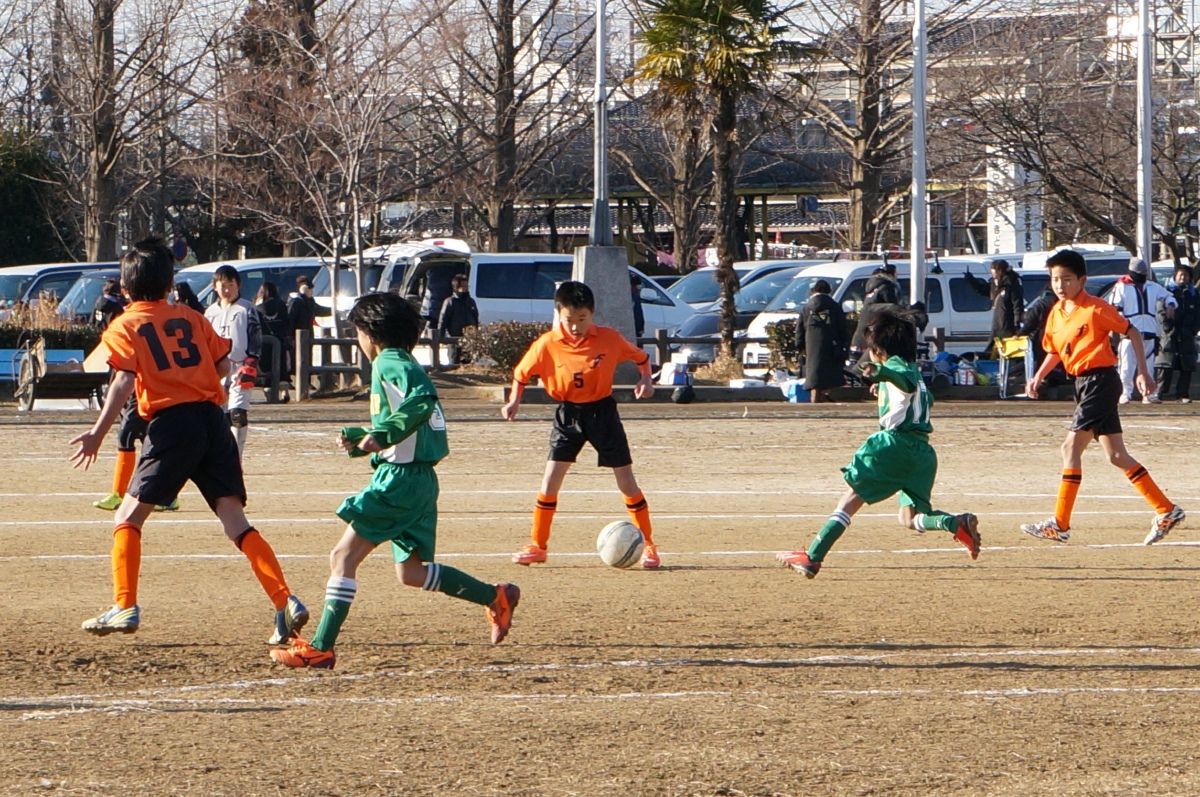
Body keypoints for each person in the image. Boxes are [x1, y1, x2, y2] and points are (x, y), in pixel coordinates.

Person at [69, 237, 308, 643]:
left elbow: (123, 379)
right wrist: (194, 381)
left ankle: (124, 604)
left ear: (125, 288)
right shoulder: (192, 317)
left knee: (127, 518)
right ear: (169, 284)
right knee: (236, 522)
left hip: (172, 425)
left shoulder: (125, 324)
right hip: (212, 421)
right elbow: (223, 364)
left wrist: (97, 432)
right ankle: (285, 600)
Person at [269, 293, 519, 669]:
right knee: (412, 573)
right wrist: (364, 438)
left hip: (400, 481)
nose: (358, 339)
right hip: (420, 479)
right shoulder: (403, 361)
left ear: (371, 333)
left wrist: (382, 435)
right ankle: (494, 596)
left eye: (357, 331)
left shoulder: (388, 361)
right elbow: (415, 421)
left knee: (342, 557)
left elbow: (422, 400)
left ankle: (321, 647)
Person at [776, 307, 981, 577]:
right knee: (910, 519)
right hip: (922, 453)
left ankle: (813, 556)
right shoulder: (915, 372)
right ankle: (955, 523)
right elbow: (919, 396)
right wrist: (884, 385)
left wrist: (883, 375)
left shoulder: (895, 368)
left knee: (850, 499)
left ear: (879, 349)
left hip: (894, 447)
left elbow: (903, 382)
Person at [1021, 249, 1185, 545]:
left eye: (1067, 279)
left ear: (1082, 280)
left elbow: (1133, 332)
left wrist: (1143, 372)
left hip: (1101, 381)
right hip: (1082, 384)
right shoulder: (1056, 312)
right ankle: (1166, 509)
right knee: (1116, 455)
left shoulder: (1096, 308)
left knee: (1070, 448)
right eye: (1055, 279)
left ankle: (1060, 524)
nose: (1060, 285)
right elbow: (1055, 351)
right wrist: (1038, 377)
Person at [501, 281, 662, 569]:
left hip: (602, 413)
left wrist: (646, 380)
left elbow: (642, 358)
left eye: (582, 319)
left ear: (592, 314)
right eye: (569, 320)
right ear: (558, 314)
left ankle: (649, 545)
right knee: (550, 481)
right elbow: (521, 374)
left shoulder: (609, 339)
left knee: (626, 481)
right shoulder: (546, 344)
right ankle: (538, 545)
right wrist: (514, 400)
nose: (575, 326)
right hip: (568, 416)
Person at [92, 278, 178, 513]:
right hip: (146, 389)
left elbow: (127, 372)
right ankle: (167, 495)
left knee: (127, 436)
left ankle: (119, 493)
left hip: (143, 390)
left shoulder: (130, 319)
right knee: (149, 440)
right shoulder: (139, 316)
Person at [204, 266, 261, 458]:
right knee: (220, 415)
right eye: (223, 286)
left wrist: (252, 361)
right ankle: (222, 456)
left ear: (238, 285)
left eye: (231, 285)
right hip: (217, 368)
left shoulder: (247, 308)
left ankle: (236, 457)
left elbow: (255, 335)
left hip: (240, 366)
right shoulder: (210, 312)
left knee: (237, 413)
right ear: (214, 287)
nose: (227, 290)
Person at [1107, 257, 1175, 403]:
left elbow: (1169, 296)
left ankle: (1147, 393)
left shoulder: (1152, 286)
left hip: (1149, 331)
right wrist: (1119, 325)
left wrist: (1170, 304)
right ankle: (1125, 393)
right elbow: (1114, 308)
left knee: (1149, 365)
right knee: (1126, 365)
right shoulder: (1121, 287)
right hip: (1128, 332)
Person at [795, 279, 847, 402]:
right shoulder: (834, 306)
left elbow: (799, 330)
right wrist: (844, 344)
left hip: (811, 347)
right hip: (831, 346)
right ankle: (825, 395)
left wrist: (800, 346)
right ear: (829, 291)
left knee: (814, 375)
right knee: (829, 375)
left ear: (813, 291)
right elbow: (842, 328)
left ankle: (815, 399)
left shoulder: (806, 308)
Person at [1155, 264, 1199, 404]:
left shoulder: (1194, 294)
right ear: (1175, 276)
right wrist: (1167, 327)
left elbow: (1198, 314)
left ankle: (1182, 393)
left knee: (1186, 365)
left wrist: (1193, 329)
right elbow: (1160, 310)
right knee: (1165, 364)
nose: (1183, 277)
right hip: (1169, 333)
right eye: (1180, 274)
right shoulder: (1167, 292)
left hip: (1187, 334)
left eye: (1186, 275)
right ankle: (1160, 392)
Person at [965, 259, 1024, 356]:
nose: (991, 271)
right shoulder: (994, 284)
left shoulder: (1011, 284)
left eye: (993, 269)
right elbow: (982, 290)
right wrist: (971, 280)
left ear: (1000, 270)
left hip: (1007, 324)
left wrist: (1016, 323)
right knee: (991, 349)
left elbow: (1017, 305)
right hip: (997, 323)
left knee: (1004, 350)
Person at [437, 273, 480, 365]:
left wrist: (476, 333)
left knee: (467, 364)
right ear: (456, 287)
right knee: (454, 363)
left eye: (467, 286)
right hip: (454, 339)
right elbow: (443, 320)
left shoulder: (471, 301)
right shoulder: (450, 302)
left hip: (468, 340)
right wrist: (441, 337)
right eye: (463, 286)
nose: (466, 288)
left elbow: (476, 318)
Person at [255, 281, 294, 377]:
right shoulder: (281, 305)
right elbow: (287, 323)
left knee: (265, 369)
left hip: (263, 343)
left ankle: (265, 382)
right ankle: (283, 383)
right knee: (281, 370)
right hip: (280, 342)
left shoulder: (257, 308)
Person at [629, 274, 645, 340]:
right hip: (634, 331)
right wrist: (640, 329)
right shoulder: (634, 297)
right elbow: (638, 314)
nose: (639, 290)